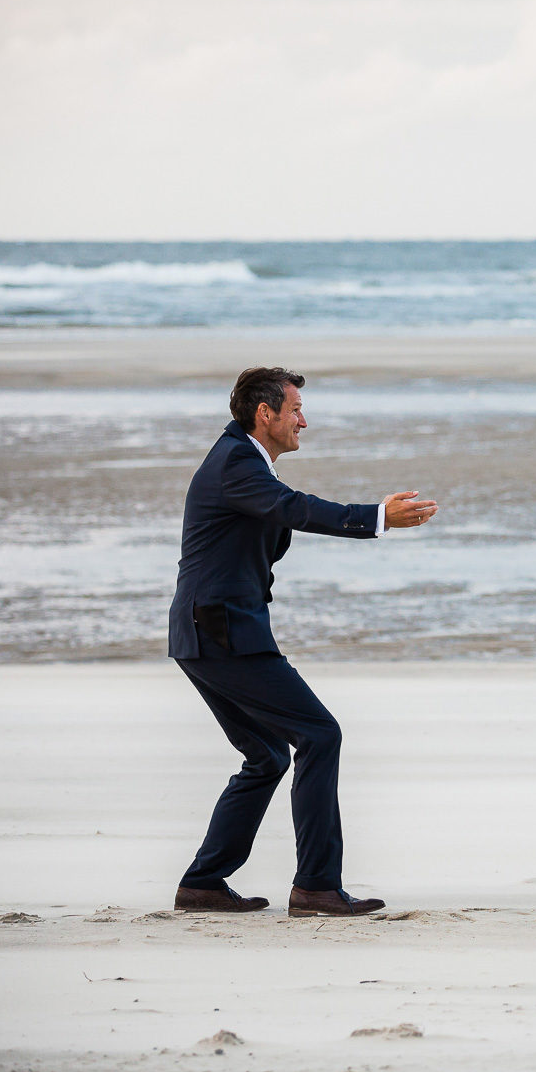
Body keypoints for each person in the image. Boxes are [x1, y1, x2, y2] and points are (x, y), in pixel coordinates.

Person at [167, 366, 437, 917]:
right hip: (221, 634)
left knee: (267, 755)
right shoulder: (236, 463)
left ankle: (203, 883)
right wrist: (375, 518)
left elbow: (273, 519)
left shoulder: (241, 461)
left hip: (209, 632)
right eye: (295, 411)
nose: (304, 422)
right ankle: (315, 886)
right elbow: (295, 509)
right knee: (320, 735)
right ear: (264, 414)